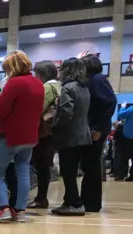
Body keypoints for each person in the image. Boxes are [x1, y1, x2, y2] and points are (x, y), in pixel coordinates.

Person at [0, 51, 44, 223]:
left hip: (11, 135)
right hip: (30, 136)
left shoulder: (14, 83)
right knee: (23, 172)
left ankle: (3, 207)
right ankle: (19, 210)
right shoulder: (38, 84)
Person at [51, 58, 92, 216]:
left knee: (68, 172)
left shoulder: (68, 88)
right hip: (83, 134)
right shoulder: (84, 88)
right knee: (72, 171)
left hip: (69, 136)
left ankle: (75, 203)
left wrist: (56, 127)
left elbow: (66, 113)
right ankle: (69, 201)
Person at [81, 54, 117, 212]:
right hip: (94, 127)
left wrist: (97, 128)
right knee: (89, 165)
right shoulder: (93, 80)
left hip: (96, 129)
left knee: (92, 165)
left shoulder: (97, 80)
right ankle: (88, 201)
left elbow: (109, 102)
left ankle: (92, 203)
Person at [27, 60, 60, 209]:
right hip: (52, 132)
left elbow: (38, 108)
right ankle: (41, 198)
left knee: (41, 166)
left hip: (43, 132)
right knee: (44, 166)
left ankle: (41, 198)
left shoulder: (47, 87)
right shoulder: (58, 85)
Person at [115, 104, 133, 181]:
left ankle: (121, 175)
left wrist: (122, 107)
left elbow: (120, 115)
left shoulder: (132, 109)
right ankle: (132, 176)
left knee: (123, 157)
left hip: (128, 137)